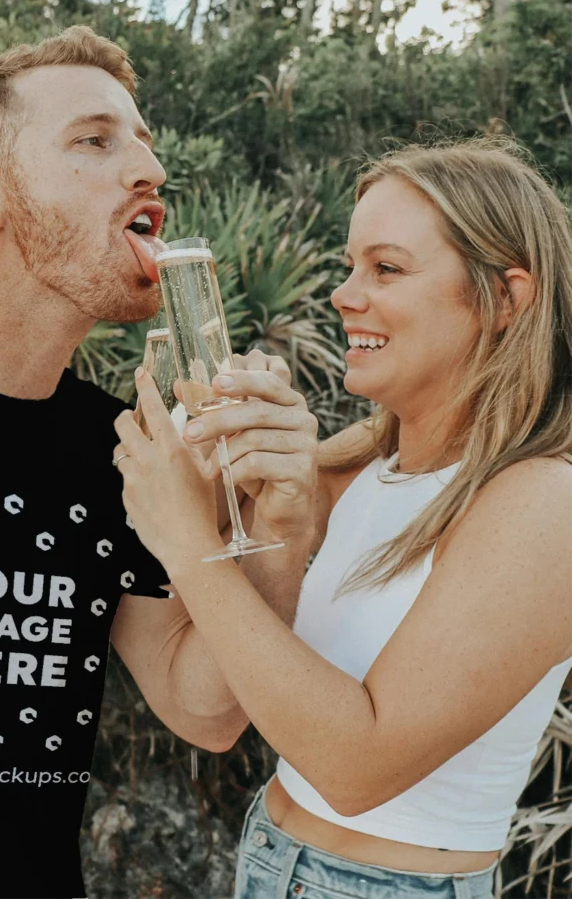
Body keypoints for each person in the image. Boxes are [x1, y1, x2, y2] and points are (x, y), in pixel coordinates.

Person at [0, 25, 315, 899]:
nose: (148, 170)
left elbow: (203, 710)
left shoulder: (126, 450)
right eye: (94, 141)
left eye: (143, 142)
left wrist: (282, 523)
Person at [114, 139, 572, 899]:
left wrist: (189, 542)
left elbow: (357, 767)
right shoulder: (358, 461)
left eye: (385, 268)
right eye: (350, 265)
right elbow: (208, 699)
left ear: (506, 298)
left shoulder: (543, 501)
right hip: (267, 852)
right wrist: (262, 508)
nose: (343, 294)